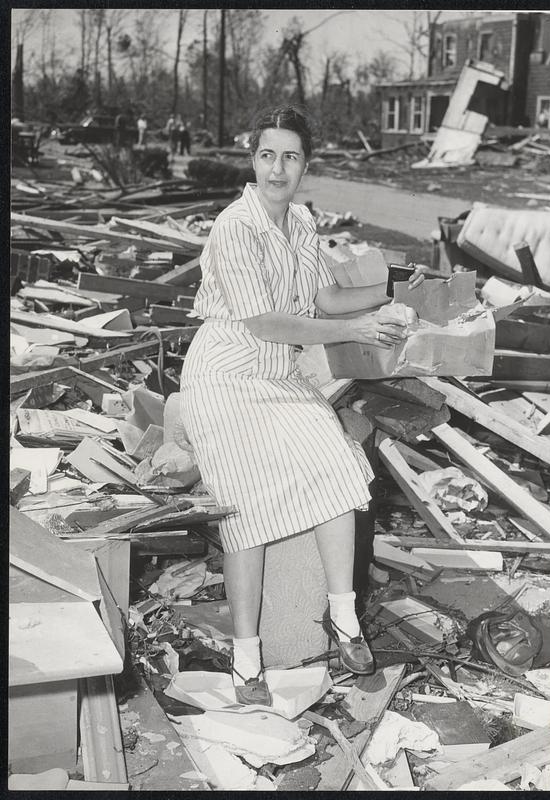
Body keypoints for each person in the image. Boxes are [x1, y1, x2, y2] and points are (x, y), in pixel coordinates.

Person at [180, 105, 425, 706]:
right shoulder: (235, 227)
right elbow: (266, 321)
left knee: (340, 471)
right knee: (246, 515)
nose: (278, 168)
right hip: (225, 377)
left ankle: (343, 618)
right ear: (254, 160)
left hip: (278, 376)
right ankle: (246, 663)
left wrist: (398, 284)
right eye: (268, 155)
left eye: (290, 157)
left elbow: (325, 296)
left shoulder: (301, 222)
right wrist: (361, 330)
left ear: (304, 166)